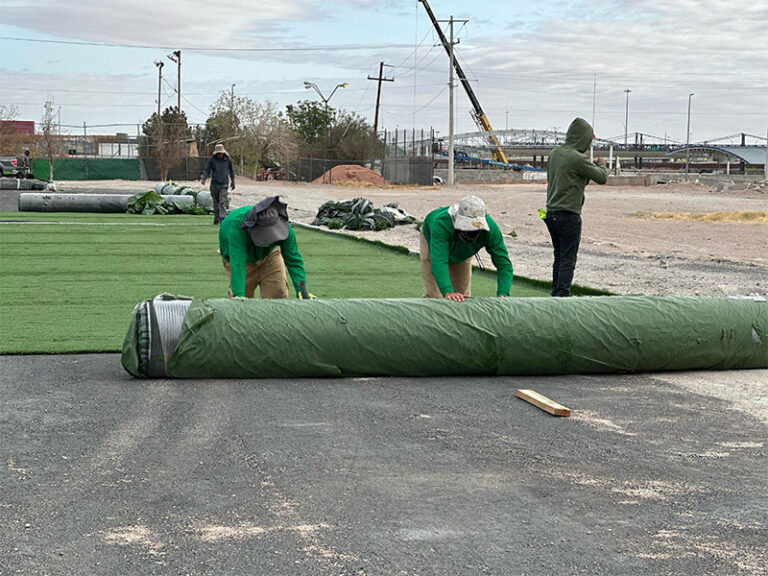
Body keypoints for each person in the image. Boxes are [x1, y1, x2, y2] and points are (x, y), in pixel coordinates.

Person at [544, 117, 608, 297]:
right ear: (584, 138)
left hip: (551, 213)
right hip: (569, 215)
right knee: (568, 258)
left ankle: (556, 291)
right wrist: (601, 163)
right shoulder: (578, 158)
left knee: (559, 256)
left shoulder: (555, 153)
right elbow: (602, 178)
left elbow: (568, 178)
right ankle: (562, 294)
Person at [420, 195, 513, 302]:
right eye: (466, 230)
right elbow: (439, 261)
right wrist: (448, 291)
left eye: (474, 231)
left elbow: (504, 264)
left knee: (462, 295)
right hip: (431, 236)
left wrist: (503, 293)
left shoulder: (491, 230)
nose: (469, 235)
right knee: (434, 295)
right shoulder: (441, 224)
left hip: (463, 250)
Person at [218, 196, 312, 299]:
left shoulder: (285, 231)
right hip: (241, 260)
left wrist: (301, 291)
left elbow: (293, 260)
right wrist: (239, 294)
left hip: (270, 256)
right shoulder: (235, 228)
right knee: (240, 304)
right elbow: (237, 263)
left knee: (278, 296)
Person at [201, 143, 235, 225]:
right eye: (218, 153)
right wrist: (204, 178)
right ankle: (216, 218)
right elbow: (207, 170)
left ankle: (222, 219)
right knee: (215, 203)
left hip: (224, 184)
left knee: (222, 202)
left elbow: (231, 171)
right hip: (214, 184)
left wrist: (233, 182)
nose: (220, 154)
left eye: (221, 153)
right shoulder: (212, 160)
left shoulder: (227, 160)